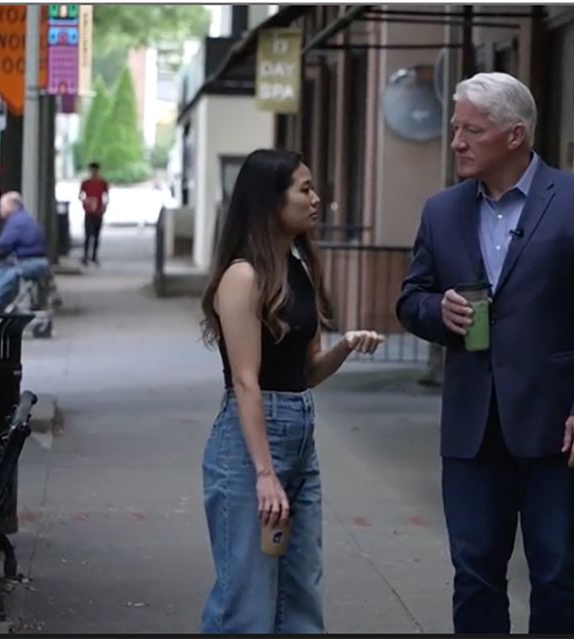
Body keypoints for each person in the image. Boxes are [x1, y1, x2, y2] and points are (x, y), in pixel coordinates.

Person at [396, 72, 574, 634]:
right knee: (474, 573)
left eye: (471, 130)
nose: (456, 141)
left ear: (515, 135)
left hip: (557, 428)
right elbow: (411, 299)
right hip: (471, 430)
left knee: (555, 574)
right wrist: (438, 312)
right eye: (455, 128)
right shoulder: (442, 210)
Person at [199, 149, 385, 634]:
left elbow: (305, 373)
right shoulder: (243, 277)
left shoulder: (299, 269)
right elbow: (246, 381)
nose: (316, 199)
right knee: (247, 601)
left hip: (299, 437)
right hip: (249, 448)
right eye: (304, 189)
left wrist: (346, 346)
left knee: (301, 594)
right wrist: (264, 474)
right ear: (270, 200)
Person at [0, 192, 50, 313]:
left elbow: (0, 247)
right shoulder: (24, 219)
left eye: (2, 205)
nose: (0, 209)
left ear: (12, 205)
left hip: (28, 264)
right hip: (37, 262)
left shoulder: (16, 222)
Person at [79, 162, 109, 265]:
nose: (94, 172)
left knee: (96, 235)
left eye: (95, 171)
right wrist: (85, 202)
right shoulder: (85, 183)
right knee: (87, 235)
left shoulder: (103, 183)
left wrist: (104, 208)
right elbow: (80, 195)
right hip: (88, 212)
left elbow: (106, 197)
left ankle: (94, 256)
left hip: (98, 212)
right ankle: (85, 256)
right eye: (92, 171)